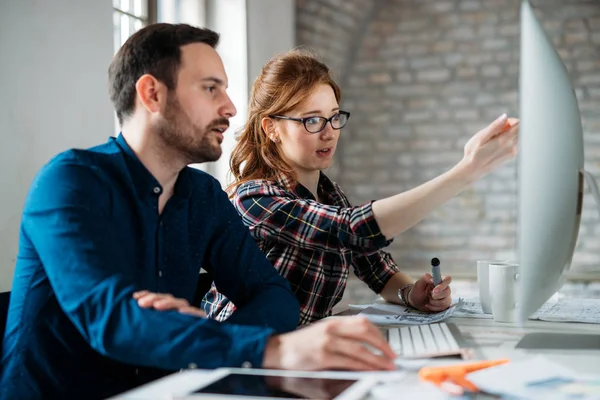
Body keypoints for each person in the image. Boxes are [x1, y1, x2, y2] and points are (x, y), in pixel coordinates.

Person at [0, 25, 397, 400]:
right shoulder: (69, 181)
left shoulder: (202, 194)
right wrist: (268, 350)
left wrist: (202, 335)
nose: (230, 107)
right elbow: (112, 319)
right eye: (211, 89)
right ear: (152, 94)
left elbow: (275, 297)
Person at [203, 49, 519, 325]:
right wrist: (465, 171)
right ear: (271, 128)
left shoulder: (331, 196)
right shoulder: (254, 197)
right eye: (312, 121)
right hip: (237, 357)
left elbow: (378, 271)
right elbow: (354, 228)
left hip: (299, 353)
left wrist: (412, 294)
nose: (329, 133)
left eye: (334, 117)